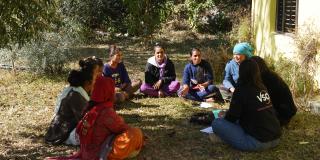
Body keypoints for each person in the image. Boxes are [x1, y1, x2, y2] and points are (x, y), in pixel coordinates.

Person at [211, 59, 282, 151]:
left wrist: (224, 115)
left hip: (257, 142)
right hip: (276, 138)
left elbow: (231, 118)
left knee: (217, 123)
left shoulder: (241, 90)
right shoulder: (262, 87)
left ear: (241, 72)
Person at [45, 57, 100, 146]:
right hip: (62, 135)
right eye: (94, 80)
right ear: (87, 83)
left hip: (66, 129)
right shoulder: (75, 96)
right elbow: (86, 120)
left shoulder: (76, 92)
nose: (95, 83)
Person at [251, 56, 297, 126]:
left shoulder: (267, 78)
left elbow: (264, 100)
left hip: (283, 112)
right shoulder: (267, 75)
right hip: (285, 110)